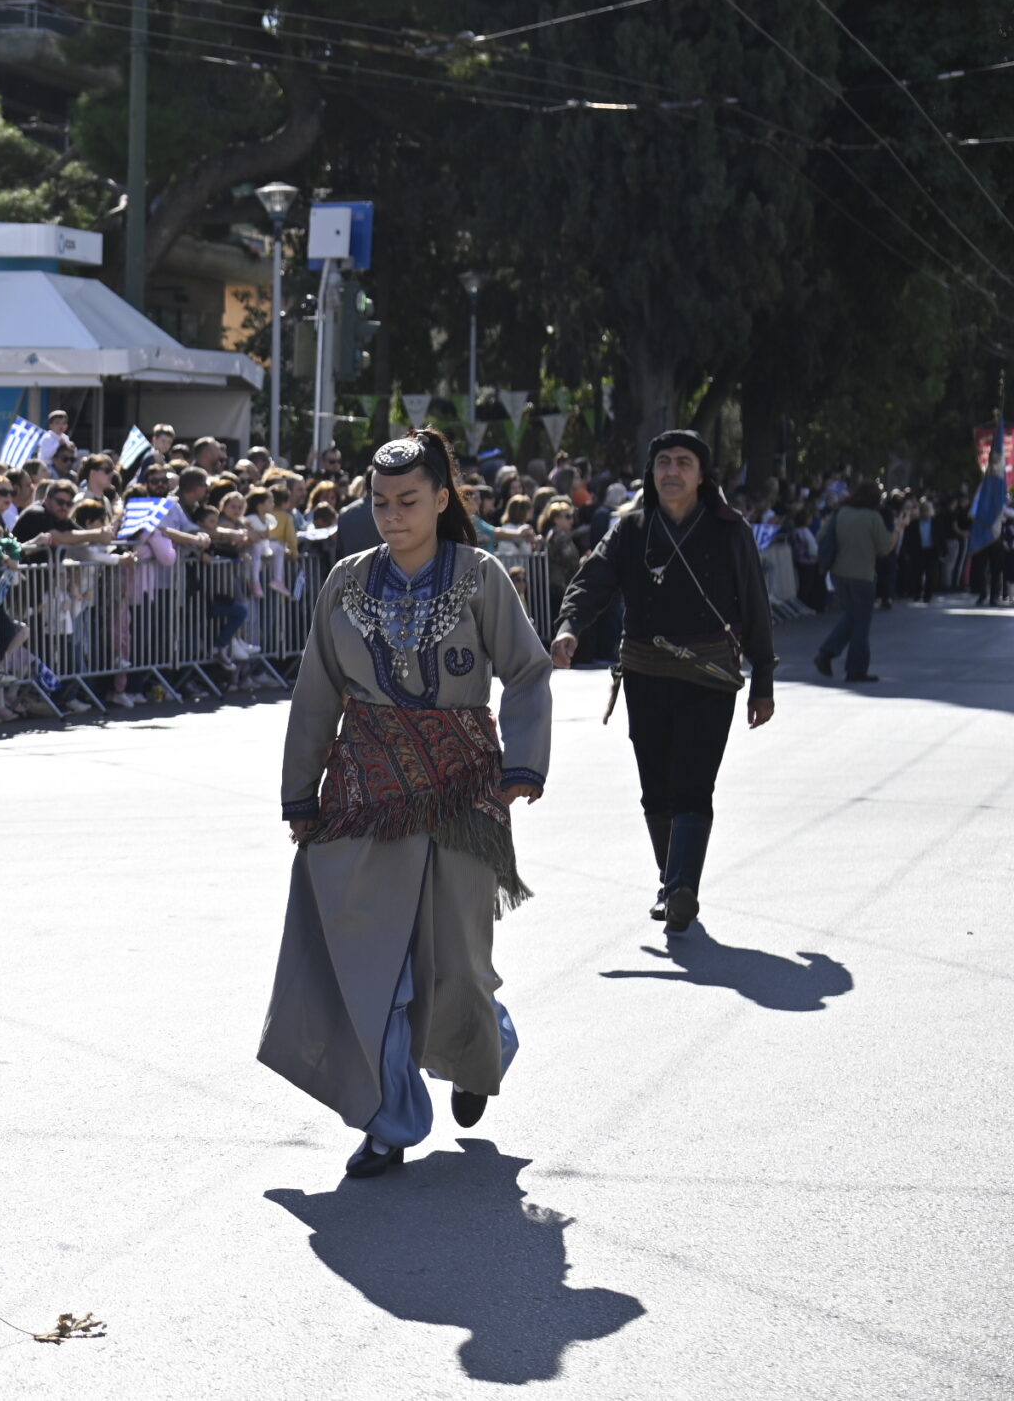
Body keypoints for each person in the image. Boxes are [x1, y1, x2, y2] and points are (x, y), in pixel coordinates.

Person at [261, 430, 551, 1180]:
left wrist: (524, 760)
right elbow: (316, 691)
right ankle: (389, 1123)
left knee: (459, 962)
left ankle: (481, 1049)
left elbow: (526, 670)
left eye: (408, 501)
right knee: (375, 964)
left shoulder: (482, 576)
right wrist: (300, 792)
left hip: (463, 790)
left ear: (442, 500)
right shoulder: (347, 580)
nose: (391, 515)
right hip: (365, 789)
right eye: (380, 502)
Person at [551, 431, 775, 933]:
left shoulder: (730, 530)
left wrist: (763, 678)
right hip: (645, 675)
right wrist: (569, 627)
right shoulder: (630, 529)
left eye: (683, 462)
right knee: (655, 787)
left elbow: (756, 604)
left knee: (693, 782)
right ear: (651, 473)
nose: (672, 471)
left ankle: (680, 888)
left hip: (709, 675)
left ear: (702, 474)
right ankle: (670, 882)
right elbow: (592, 581)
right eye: (663, 462)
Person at [813, 483, 896, 683]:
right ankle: (854, 668)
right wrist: (897, 531)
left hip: (839, 573)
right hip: (863, 575)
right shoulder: (873, 517)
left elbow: (821, 535)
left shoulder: (840, 513)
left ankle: (827, 653)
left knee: (852, 617)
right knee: (861, 624)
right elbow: (884, 548)